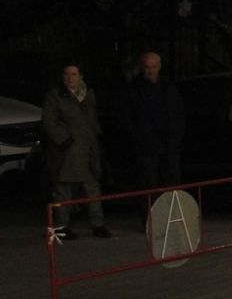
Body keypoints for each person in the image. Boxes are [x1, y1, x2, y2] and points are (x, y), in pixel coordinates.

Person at [42, 63, 110, 239]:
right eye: (67, 74)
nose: (70, 78)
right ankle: (62, 227)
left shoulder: (88, 95)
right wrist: (65, 140)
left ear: (81, 76)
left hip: (87, 150)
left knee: (92, 187)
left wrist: (97, 139)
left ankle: (98, 224)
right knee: (64, 190)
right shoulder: (55, 96)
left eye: (73, 74)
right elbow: (49, 122)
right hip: (67, 152)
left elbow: (92, 120)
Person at [122, 50, 184, 188]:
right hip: (147, 149)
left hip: (169, 147)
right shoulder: (133, 90)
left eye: (154, 67)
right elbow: (128, 119)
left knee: (171, 187)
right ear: (142, 68)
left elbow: (178, 114)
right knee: (149, 186)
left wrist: (175, 138)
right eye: (147, 67)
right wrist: (139, 139)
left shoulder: (168, 87)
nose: (150, 71)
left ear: (159, 67)